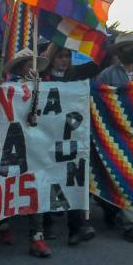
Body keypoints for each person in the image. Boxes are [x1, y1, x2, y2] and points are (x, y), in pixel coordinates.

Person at [38, 44, 98, 246]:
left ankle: (77, 228)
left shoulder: (76, 76)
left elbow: (98, 63)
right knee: (46, 180)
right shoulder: (40, 78)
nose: (65, 60)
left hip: (69, 138)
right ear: (52, 58)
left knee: (73, 179)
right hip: (44, 138)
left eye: (68, 56)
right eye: (60, 56)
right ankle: (45, 225)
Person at [94, 33, 133, 243]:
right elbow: (99, 102)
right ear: (118, 52)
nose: (131, 51)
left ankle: (115, 212)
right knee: (125, 177)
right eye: (126, 47)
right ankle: (130, 225)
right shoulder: (106, 76)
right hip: (116, 135)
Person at [0, 48, 53, 257]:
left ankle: (37, 237)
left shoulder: (47, 87)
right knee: (7, 186)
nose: (31, 68)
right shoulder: (10, 87)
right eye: (27, 64)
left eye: (33, 65)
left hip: (37, 145)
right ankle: (3, 225)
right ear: (20, 68)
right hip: (10, 144)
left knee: (35, 187)